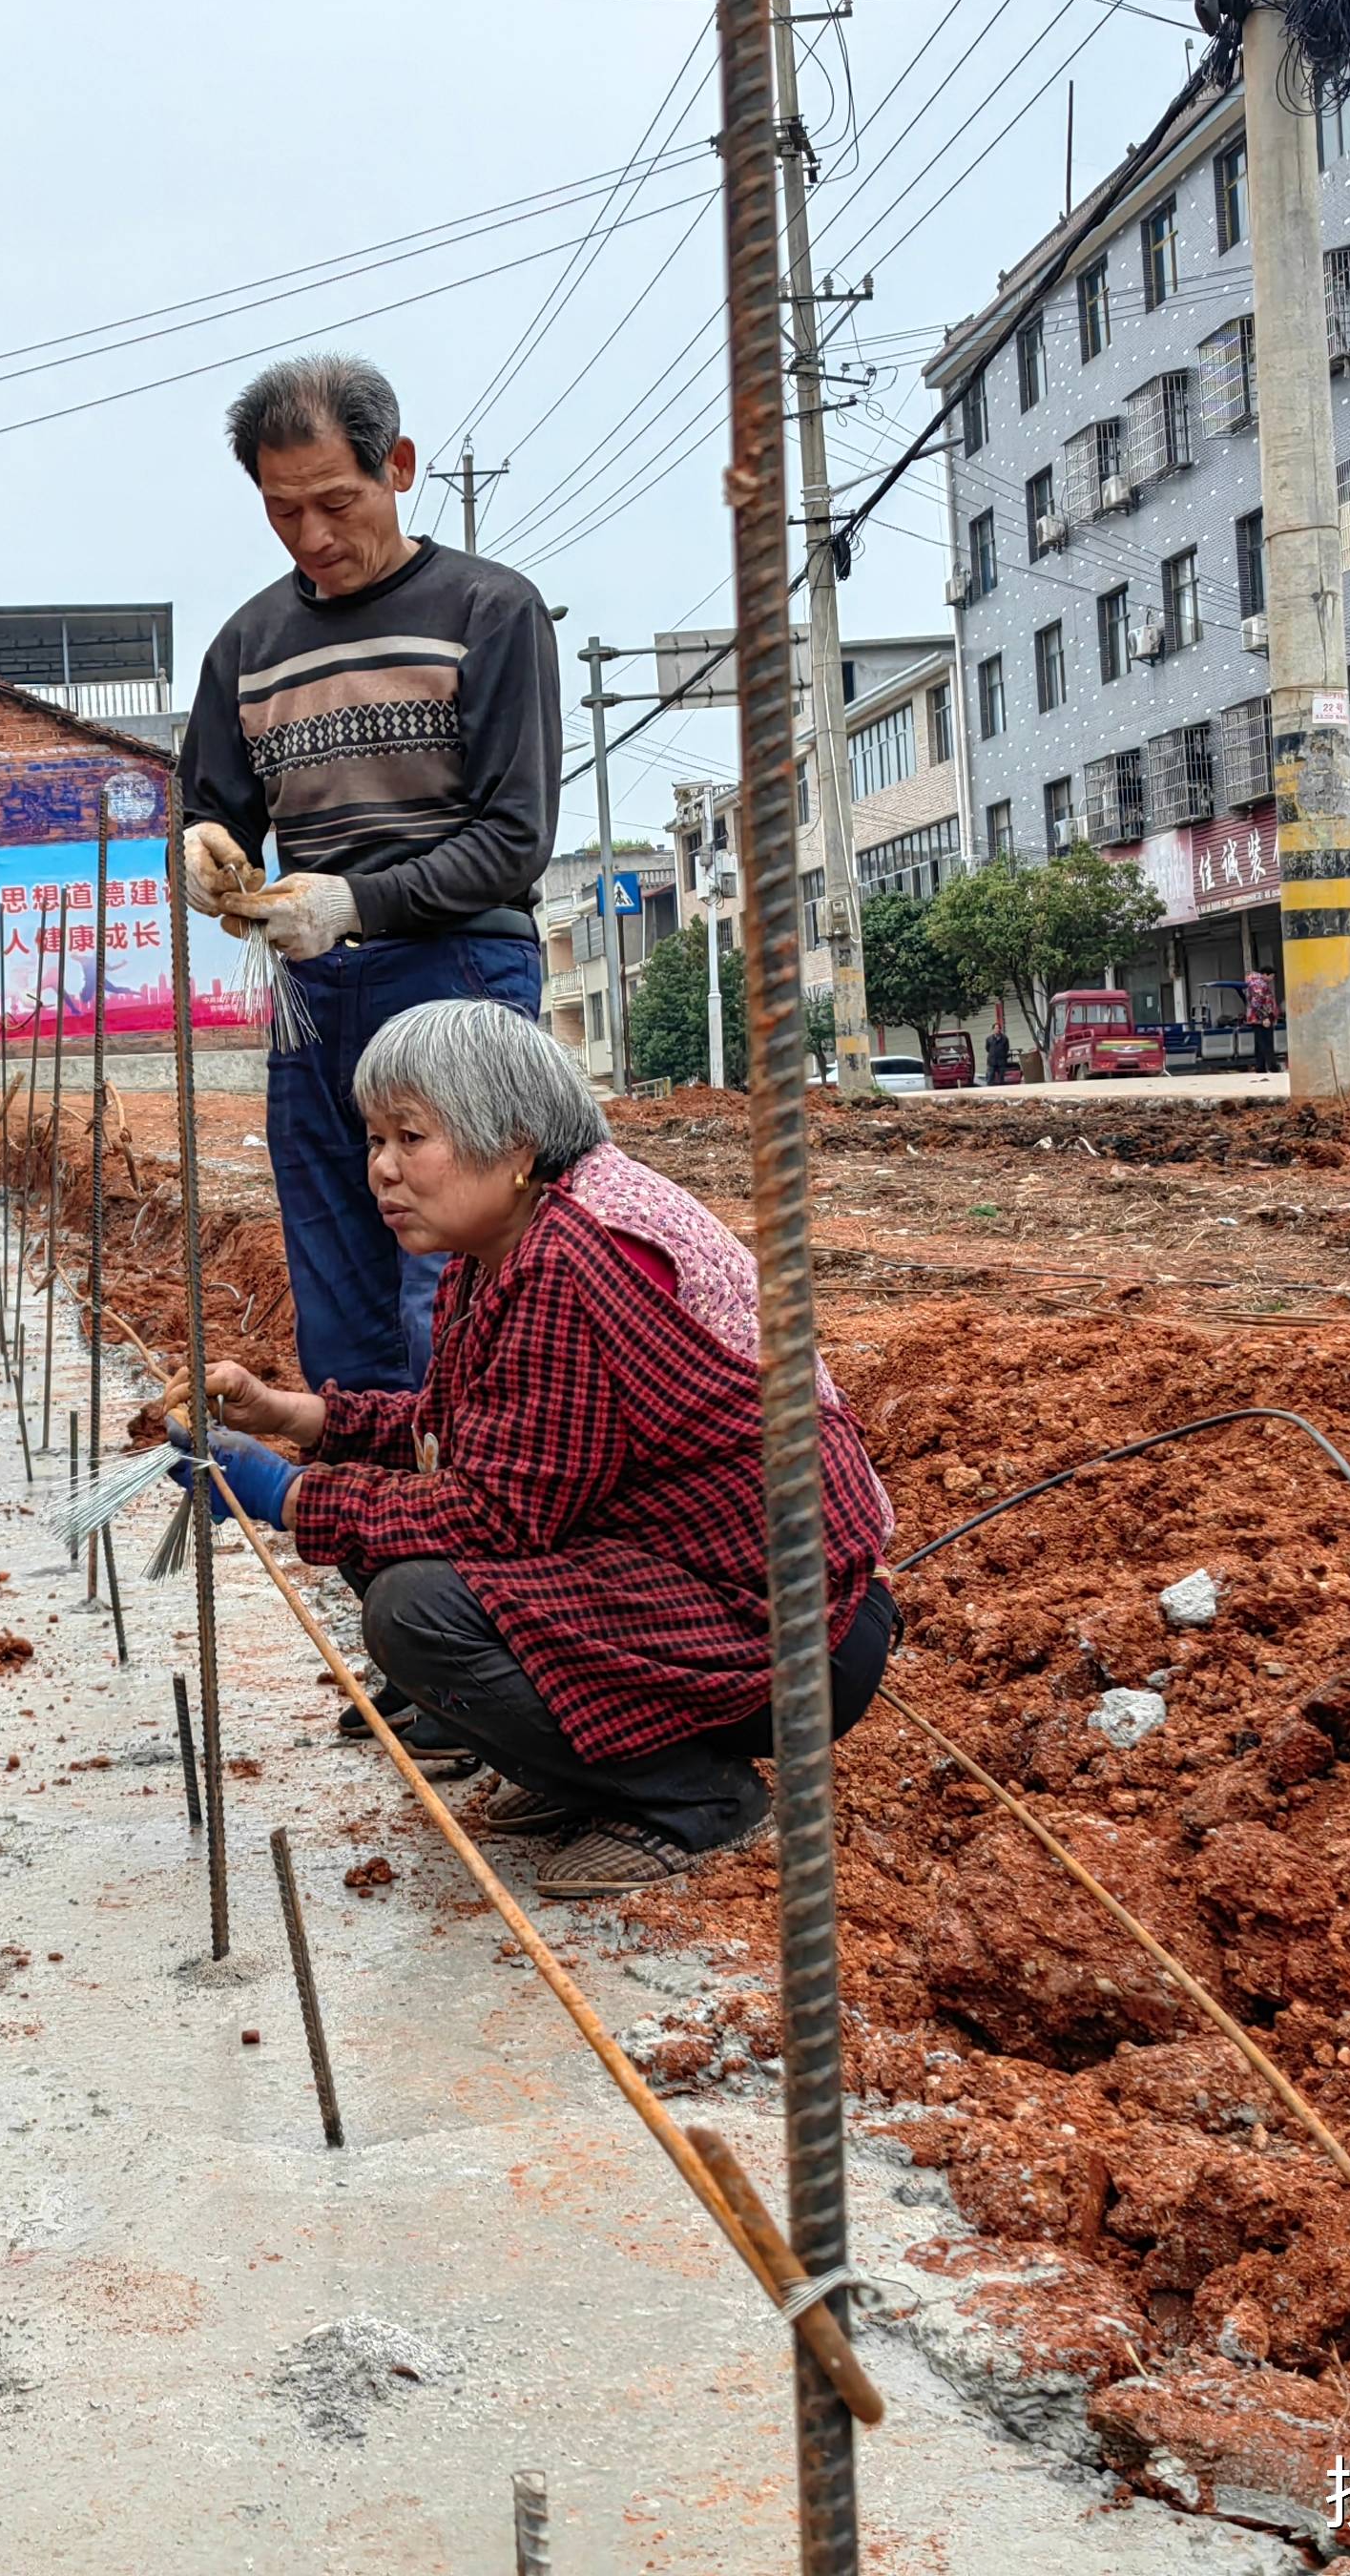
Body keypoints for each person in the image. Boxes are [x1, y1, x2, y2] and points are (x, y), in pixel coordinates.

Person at [175, 999, 898, 1898]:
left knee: (416, 1611)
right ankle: (598, 1774)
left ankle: (691, 1798)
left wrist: (287, 1498)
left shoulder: (572, 1259)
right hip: (706, 1584)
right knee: (400, 1550)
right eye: (374, 1140)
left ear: (515, 1143)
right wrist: (289, 1416)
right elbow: (457, 1436)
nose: (382, 1172)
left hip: (784, 1632)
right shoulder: (506, 1245)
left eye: (411, 1137)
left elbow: (493, 1513)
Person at [178, 353, 558, 1399]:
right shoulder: (247, 645)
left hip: (458, 972)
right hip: (315, 994)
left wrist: (356, 901)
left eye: (335, 501)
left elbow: (514, 839)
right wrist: (206, 848)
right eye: (281, 510)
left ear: (397, 467)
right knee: (334, 1274)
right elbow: (212, 807)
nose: (312, 535)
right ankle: (382, 1534)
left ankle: (473, 1519)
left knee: (448, 1274)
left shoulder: (488, 611)